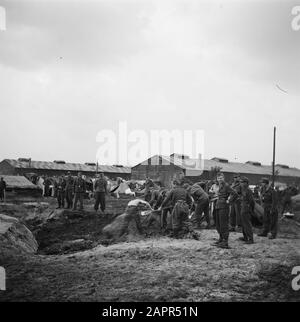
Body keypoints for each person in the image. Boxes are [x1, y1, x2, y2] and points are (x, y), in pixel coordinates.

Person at [213, 173, 237, 249]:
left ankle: (225, 242)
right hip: (218, 206)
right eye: (219, 178)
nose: (220, 179)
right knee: (218, 224)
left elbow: (234, 194)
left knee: (224, 224)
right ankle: (221, 239)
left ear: (224, 178)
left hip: (224, 207)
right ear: (217, 179)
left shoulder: (226, 186)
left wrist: (229, 201)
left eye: (221, 178)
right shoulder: (218, 185)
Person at [239, 176, 255, 244]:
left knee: (247, 224)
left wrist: (251, 209)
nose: (241, 183)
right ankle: (245, 237)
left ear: (246, 183)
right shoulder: (243, 189)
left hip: (246, 209)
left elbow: (252, 201)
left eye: (242, 182)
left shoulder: (248, 190)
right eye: (241, 182)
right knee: (243, 224)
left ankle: (250, 239)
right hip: (243, 208)